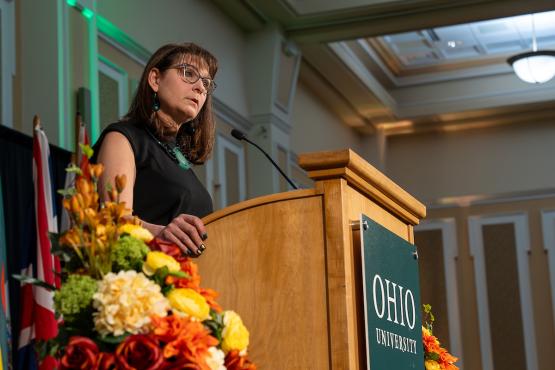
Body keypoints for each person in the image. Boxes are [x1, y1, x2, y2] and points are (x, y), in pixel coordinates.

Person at [93, 43, 218, 257]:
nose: (200, 87)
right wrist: (160, 233)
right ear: (155, 79)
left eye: (206, 83)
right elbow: (113, 219)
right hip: (139, 282)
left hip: (187, 285)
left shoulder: (178, 157)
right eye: (188, 73)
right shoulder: (123, 138)